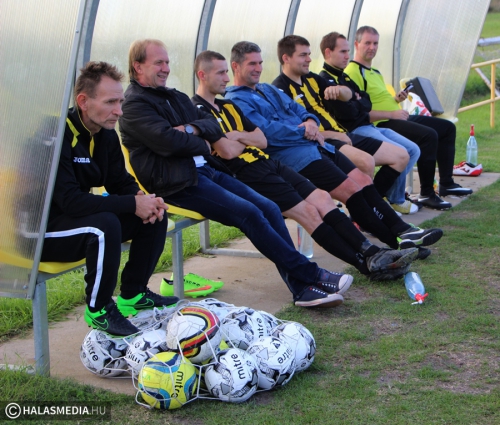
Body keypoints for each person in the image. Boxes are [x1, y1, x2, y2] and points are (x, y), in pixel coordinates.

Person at [118, 39, 353, 309]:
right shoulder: (134, 105)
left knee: (269, 207)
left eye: (167, 62)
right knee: (249, 213)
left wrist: (192, 130)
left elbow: (210, 125)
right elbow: (169, 142)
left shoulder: (175, 96)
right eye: (158, 63)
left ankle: (302, 290)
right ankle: (311, 276)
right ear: (138, 66)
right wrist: (199, 138)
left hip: (206, 171)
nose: (166, 68)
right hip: (176, 183)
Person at [191, 50, 419, 280]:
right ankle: (371, 260)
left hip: (282, 156)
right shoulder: (210, 106)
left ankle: (381, 250)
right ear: (204, 74)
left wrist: (308, 123)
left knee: (328, 195)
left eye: (260, 62)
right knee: (316, 207)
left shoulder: (234, 103)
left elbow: (262, 137)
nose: (227, 78)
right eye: (221, 73)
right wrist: (293, 133)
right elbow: (234, 148)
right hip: (264, 165)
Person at [225, 41, 443, 254]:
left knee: (363, 180)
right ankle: (394, 242)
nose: (258, 68)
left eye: (260, 63)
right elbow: (267, 131)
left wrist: (310, 121)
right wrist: (305, 130)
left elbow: (298, 109)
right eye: (252, 64)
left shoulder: (267, 89)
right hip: (295, 155)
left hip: (317, 144)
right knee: (350, 189)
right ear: (235, 66)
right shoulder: (236, 100)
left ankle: (403, 232)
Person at [40, 62, 178, 337]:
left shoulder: (105, 133)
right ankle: (99, 309)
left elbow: (119, 181)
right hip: (39, 233)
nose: (119, 111)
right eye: (110, 102)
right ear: (83, 102)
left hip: (71, 220)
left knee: (154, 218)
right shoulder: (55, 134)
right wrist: (132, 204)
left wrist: (142, 199)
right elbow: (71, 201)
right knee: (103, 226)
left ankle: (133, 293)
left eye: (120, 101)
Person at [272, 35, 416, 214]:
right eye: (303, 55)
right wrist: (334, 134)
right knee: (366, 162)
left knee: (402, 155)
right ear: (286, 58)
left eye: (309, 54)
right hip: (322, 141)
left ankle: (375, 206)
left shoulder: (312, 79)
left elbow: (351, 96)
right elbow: (296, 131)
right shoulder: (279, 89)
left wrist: (340, 90)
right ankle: (368, 214)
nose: (309, 59)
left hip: (343, 134)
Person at [344, 26, 472, 209]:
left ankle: (446, 183)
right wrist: (392, 113)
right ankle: (426, 193)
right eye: (367, 43)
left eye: (375, 43)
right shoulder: (353, 72)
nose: (372, 47)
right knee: (428, 136)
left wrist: (396, 99)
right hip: (382, 122)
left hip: (398, 116)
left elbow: (377, 99)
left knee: (447, 128)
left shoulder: (375, 72)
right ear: (356, 44)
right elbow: (359, 112)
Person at [318, 32, 421, 214]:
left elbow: (367, 102)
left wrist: (357, 102)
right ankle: (377, 205)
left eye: (348, 51)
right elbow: (346, 113)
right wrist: (357, 101)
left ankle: (392, 198)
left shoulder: (344, 77)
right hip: (354, 130)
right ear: (328, 52)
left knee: (413, 150)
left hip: (368, 124)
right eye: (343, 52)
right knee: (401, 153)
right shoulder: (325, 80)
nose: (347, 56)